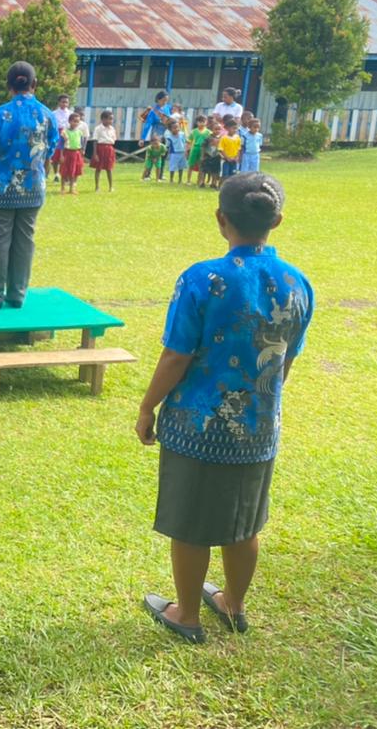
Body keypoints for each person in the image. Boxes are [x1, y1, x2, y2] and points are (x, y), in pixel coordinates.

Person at [136, 173, 312, 644]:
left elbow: (177, 355)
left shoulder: (202, 279)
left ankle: (187, 614)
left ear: (221, 219)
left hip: (198, 425)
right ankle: (233, 603)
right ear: (276, 220)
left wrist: (148, 406)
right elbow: (284, 361)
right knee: (244, 520)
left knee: (190, 523)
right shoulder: (298, 283)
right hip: (258, 427)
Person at [0, 61, 59, 309]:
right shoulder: (47, 115)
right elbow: (49, 152)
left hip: (0, 188)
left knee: (0, 239)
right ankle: (18, 293)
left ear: (8, 85)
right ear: (34, 84)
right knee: (25, 239)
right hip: (33, 187)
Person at [90, 109, 118, 192]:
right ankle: (97, 187)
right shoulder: (98, 128)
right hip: (100, 148)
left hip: (109, 149)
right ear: (103, 119)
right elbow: (95, 141)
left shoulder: (112, 129)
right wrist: (95, 154)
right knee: (98, 169)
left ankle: (111, 187)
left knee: (109, 169)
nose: (110, 121)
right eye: (109, 119)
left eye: (112, 119)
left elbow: (114, 139)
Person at [59, 111, 86, 194]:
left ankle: (71, 189)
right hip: (67, 153)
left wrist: (82, 151)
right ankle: (63, 188)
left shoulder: (79, 132)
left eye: (78, 121)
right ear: (69, 121)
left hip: (76, 153)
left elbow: (81, 143)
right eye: (74, 121)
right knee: (64, 171)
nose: (76, 123)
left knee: (74, 171)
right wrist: (61, 155)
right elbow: (61, 144)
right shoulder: (65, 132)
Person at [51, 94, 72, 181]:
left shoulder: (71, 113)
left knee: (66, 154)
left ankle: (65, 174)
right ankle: (56, 174)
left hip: (68, 134)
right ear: (59, 102)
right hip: (57, 134)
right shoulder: (54, 113)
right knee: (56, 155)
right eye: (63, 102)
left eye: (66, 102)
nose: (64, 104)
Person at [199, 120, 223, 190]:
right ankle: (202, 182)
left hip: (216, 156)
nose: (217, 131)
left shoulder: (221, 138)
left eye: (219, 129)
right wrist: (202, 155)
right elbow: (203, 146)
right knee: (204, 170)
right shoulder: (208, 138)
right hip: (208, 156)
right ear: (212, 130)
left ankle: (214, 183)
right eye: (216, 129)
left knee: (215, 171)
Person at [187, 114, 212, 181]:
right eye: (200, 122)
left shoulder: (209, 132)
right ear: (197, 122)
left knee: (201, 165)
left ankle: (199, 180)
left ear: (206, 122)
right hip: (195, 149)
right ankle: (188, 180)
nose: (201, 123)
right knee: (191, 165)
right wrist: (188, 150)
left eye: (203, 122)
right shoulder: (193, 131)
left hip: (203, 150)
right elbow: (189, 141)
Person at [165, 119, 189, 184]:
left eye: (178, 127)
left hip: (182, 153)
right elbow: (167, 146)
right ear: (170, 129)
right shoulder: (169, 137)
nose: (177, 129)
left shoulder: (182, 134)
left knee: (181, 167)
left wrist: (186, 151)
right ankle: (171, 179)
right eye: (174, 128)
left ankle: (180, 180)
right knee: (172, 167)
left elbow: (185, 142)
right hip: (174, 154)